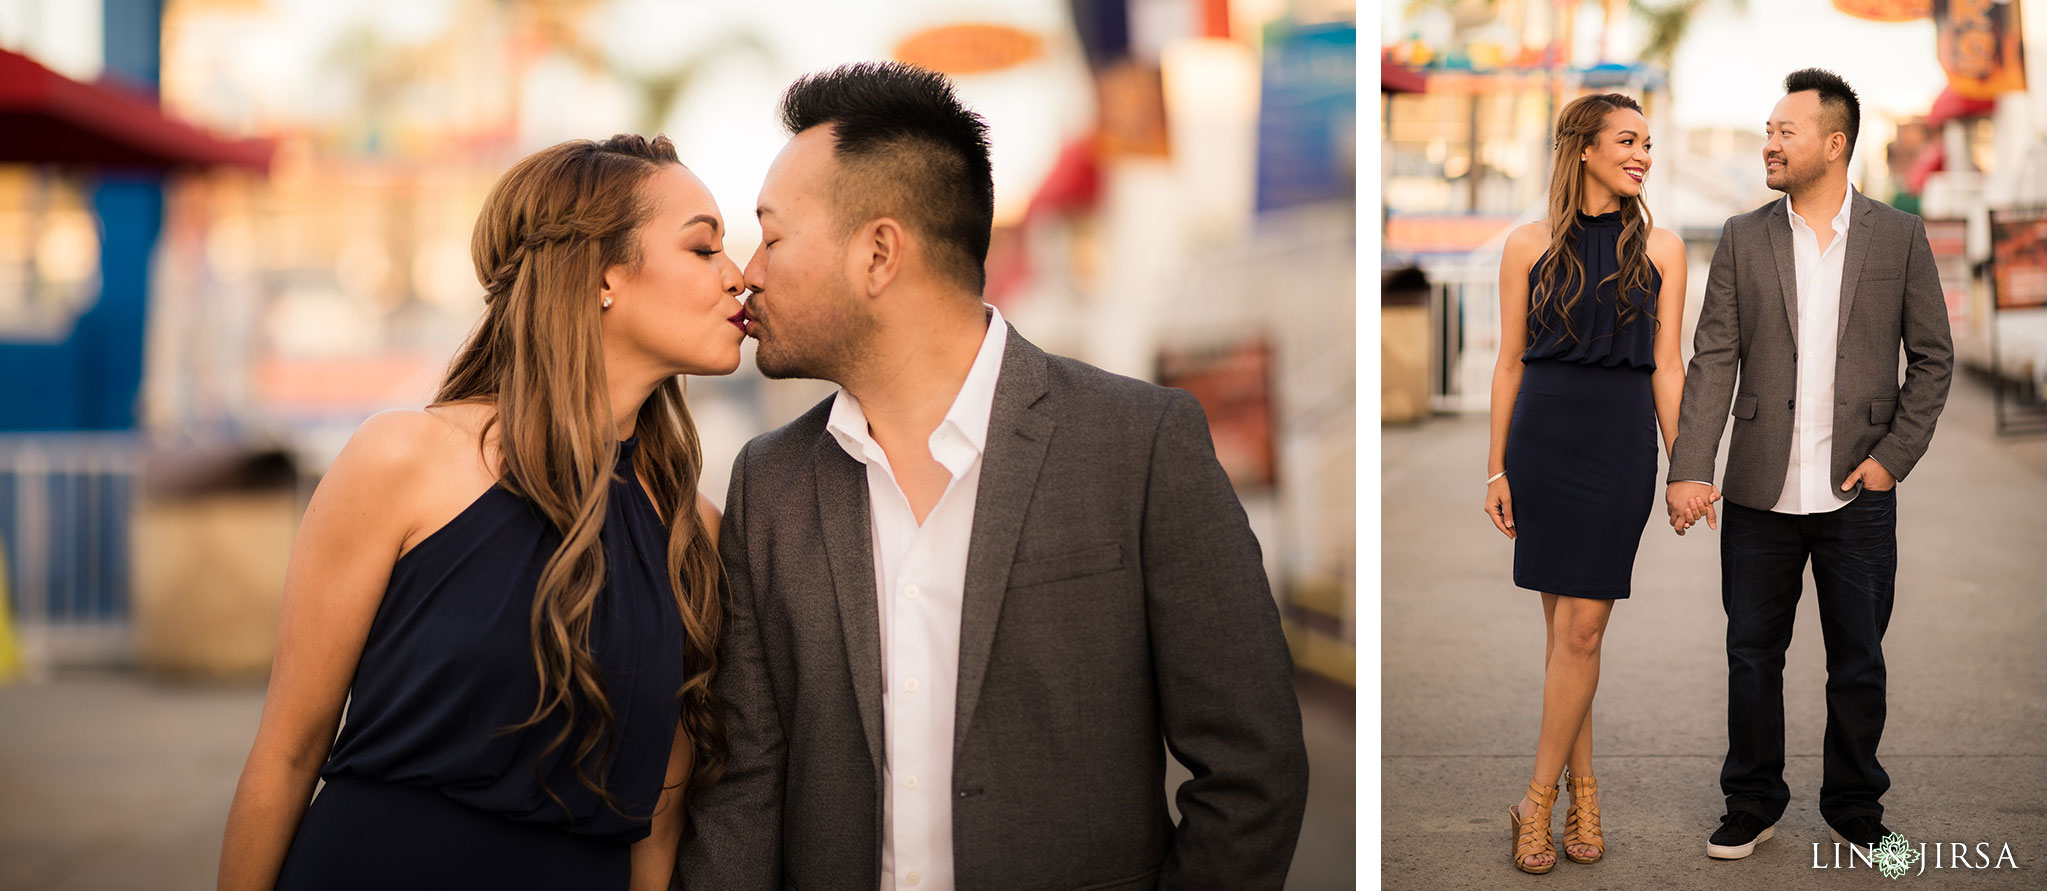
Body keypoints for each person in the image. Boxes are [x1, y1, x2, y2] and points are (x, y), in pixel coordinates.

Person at [675, 62, 1309, 891]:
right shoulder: (769, 481)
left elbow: (1253, 771)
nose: (749, 271)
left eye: (774, 234)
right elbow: (744, 788)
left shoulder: (1138, 446)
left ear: (878, 252)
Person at [218, 134, 745, 891]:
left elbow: (658, 816)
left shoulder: (694, 533)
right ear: (604, 274)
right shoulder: (402, 460)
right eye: (704, 248)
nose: (740, 278)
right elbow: (289, 749)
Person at [1666, 68, 1952, 861]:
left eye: (1783, 131)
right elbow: (1714, 355)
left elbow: (1932, 358)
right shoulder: (1741, 235)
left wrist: (1895, 458)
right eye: (1767, 130)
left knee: (1858, 660)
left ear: (1834, 143)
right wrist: (1691, 466)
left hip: (1858, 490)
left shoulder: (1899, 237)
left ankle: (1856, 805)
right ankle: (1751, 800)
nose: (1769, 143)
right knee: (1752, 656)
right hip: (1760, 488)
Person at [1485, 92, 1690, 873]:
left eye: (1647, 143)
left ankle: (1534, 802)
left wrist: (1687, 466)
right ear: (1584, 149)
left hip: (1618, 451)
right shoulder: (1525, 244)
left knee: (1581, 630)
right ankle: (1584, 793)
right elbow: (1509, 363)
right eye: (1628, 140)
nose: (1642, 154)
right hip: (1542, 445)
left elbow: (1668, 368)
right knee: (1568, 637)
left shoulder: (1665, 249)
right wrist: (1497, 465)